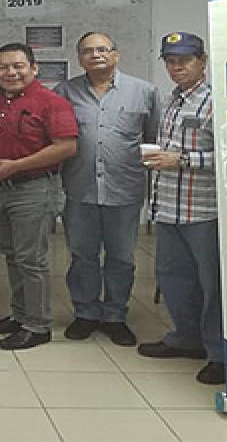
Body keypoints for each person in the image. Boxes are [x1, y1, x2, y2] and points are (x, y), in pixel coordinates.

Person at [0, 43, 78, 350]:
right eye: (3, 67)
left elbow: (66, 146)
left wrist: (16, 166)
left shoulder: (51, 102)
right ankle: (19, 316)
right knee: (12, 255)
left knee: (32, 260)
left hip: (34, 188)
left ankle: (38, 325)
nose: (11, 72)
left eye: (18, 66)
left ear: (34, 68)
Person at [55, 32, 160, 347]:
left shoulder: (145, 92)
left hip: (125, 188)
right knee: (82, 255)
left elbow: (153, 141)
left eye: (103, 49)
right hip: (79, 188)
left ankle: (115, 315)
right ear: (80, 58)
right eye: (88, 51)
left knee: (121, 257)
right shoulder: (65, 92)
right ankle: (85, 312)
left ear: (116, 55)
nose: (96, 55)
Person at [138, 31, 224, 386]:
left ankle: (219, 354)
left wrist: (182, 159)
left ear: (202, 61)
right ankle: (186, 339)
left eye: (184, 60)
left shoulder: (217, 101)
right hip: (169, 209)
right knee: (175, 280)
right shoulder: (173, 100)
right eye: (171, 61)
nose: (177, 67)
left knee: (212, 286)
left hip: (204, 212)